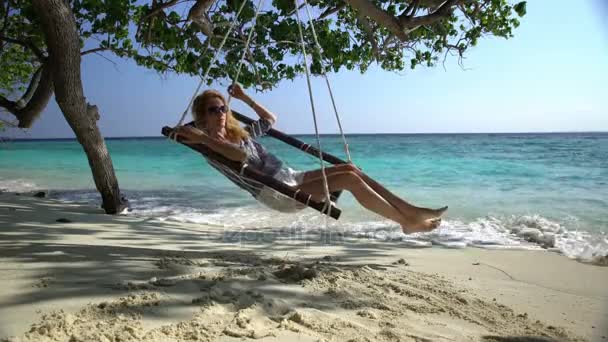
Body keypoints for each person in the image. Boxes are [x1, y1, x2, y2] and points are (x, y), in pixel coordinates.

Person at [174, 84, 447, 233]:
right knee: (349, 180)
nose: (220, 112)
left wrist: (245, 97)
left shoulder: (240, 133)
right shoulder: (209, 147)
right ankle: (406, 221)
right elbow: (238, 156)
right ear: (202, 116)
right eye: (213, 109)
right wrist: (202, 138)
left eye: (223, 107)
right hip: (277, 192)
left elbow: (269, 120)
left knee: (350, 168)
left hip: (289, 176)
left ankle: (410, 210)